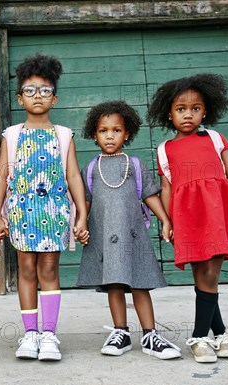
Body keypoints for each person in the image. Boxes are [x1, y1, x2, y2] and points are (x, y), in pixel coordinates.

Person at [147, 74, 228, 363]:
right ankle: (220, 334)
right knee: (200, 274)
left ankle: (199, 336)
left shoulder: (216, 139)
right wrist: (168, 222)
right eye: (181, 108)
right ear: (169, 113)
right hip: (188, 217)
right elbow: (167, 188)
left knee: (211, 275)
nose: (188, 114)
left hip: (219, 213)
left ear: (205, 111)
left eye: (195, 108)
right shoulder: (164, 149)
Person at [0, 54, 89, 362]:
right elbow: (2, 174)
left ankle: (49, 334)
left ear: (54, 98)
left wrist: (82, 212)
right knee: (26, 270)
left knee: (48, 269)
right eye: (30, 91)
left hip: (54, 212)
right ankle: (30, 333)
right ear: (20, 98)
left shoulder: (63, 134)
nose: (37, 96)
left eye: (44, 90)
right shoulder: (12, 133)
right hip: (21, 211)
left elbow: (73, 174)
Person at [77, 100, 181, 360]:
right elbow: (85, 202)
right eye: (103, 130)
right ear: (94, 134)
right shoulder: (90, 169)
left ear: (127, 133)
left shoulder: (135, 164)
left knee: (140, 284)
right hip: (105, 236)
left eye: (116, 130)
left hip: (132, 235)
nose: (109, 135)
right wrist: (80, 223)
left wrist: (166, 220)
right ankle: (120, 332)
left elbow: (150, 195)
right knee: (113, 283)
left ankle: (150, 334)